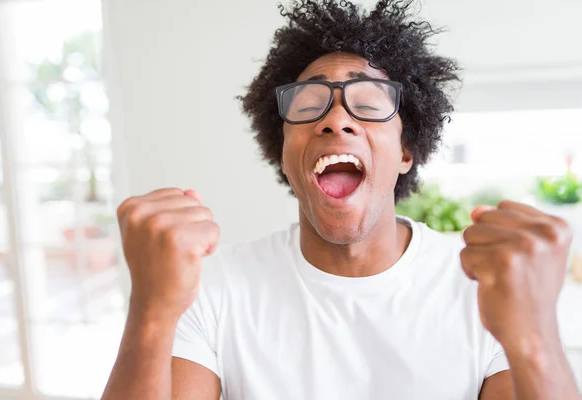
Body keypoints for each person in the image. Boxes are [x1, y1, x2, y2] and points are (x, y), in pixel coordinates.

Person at [101, 1, 581, 399]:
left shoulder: (482, 287)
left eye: (369, 104)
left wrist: (535, 337)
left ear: (406, 152)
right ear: (284, 153)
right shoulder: (214, 288)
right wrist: (151, 310)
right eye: (308, 105)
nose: (336, 120)